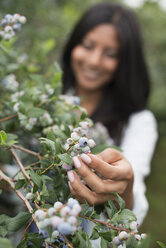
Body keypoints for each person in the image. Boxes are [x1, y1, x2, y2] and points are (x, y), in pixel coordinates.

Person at [61, 1, 158, 235]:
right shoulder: (50, 101)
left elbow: (133, 206)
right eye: (87, 45)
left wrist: (123, 189)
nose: (94, 61)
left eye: (110, 53)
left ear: (125, 63)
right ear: (74, 44)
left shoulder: (139, 122)